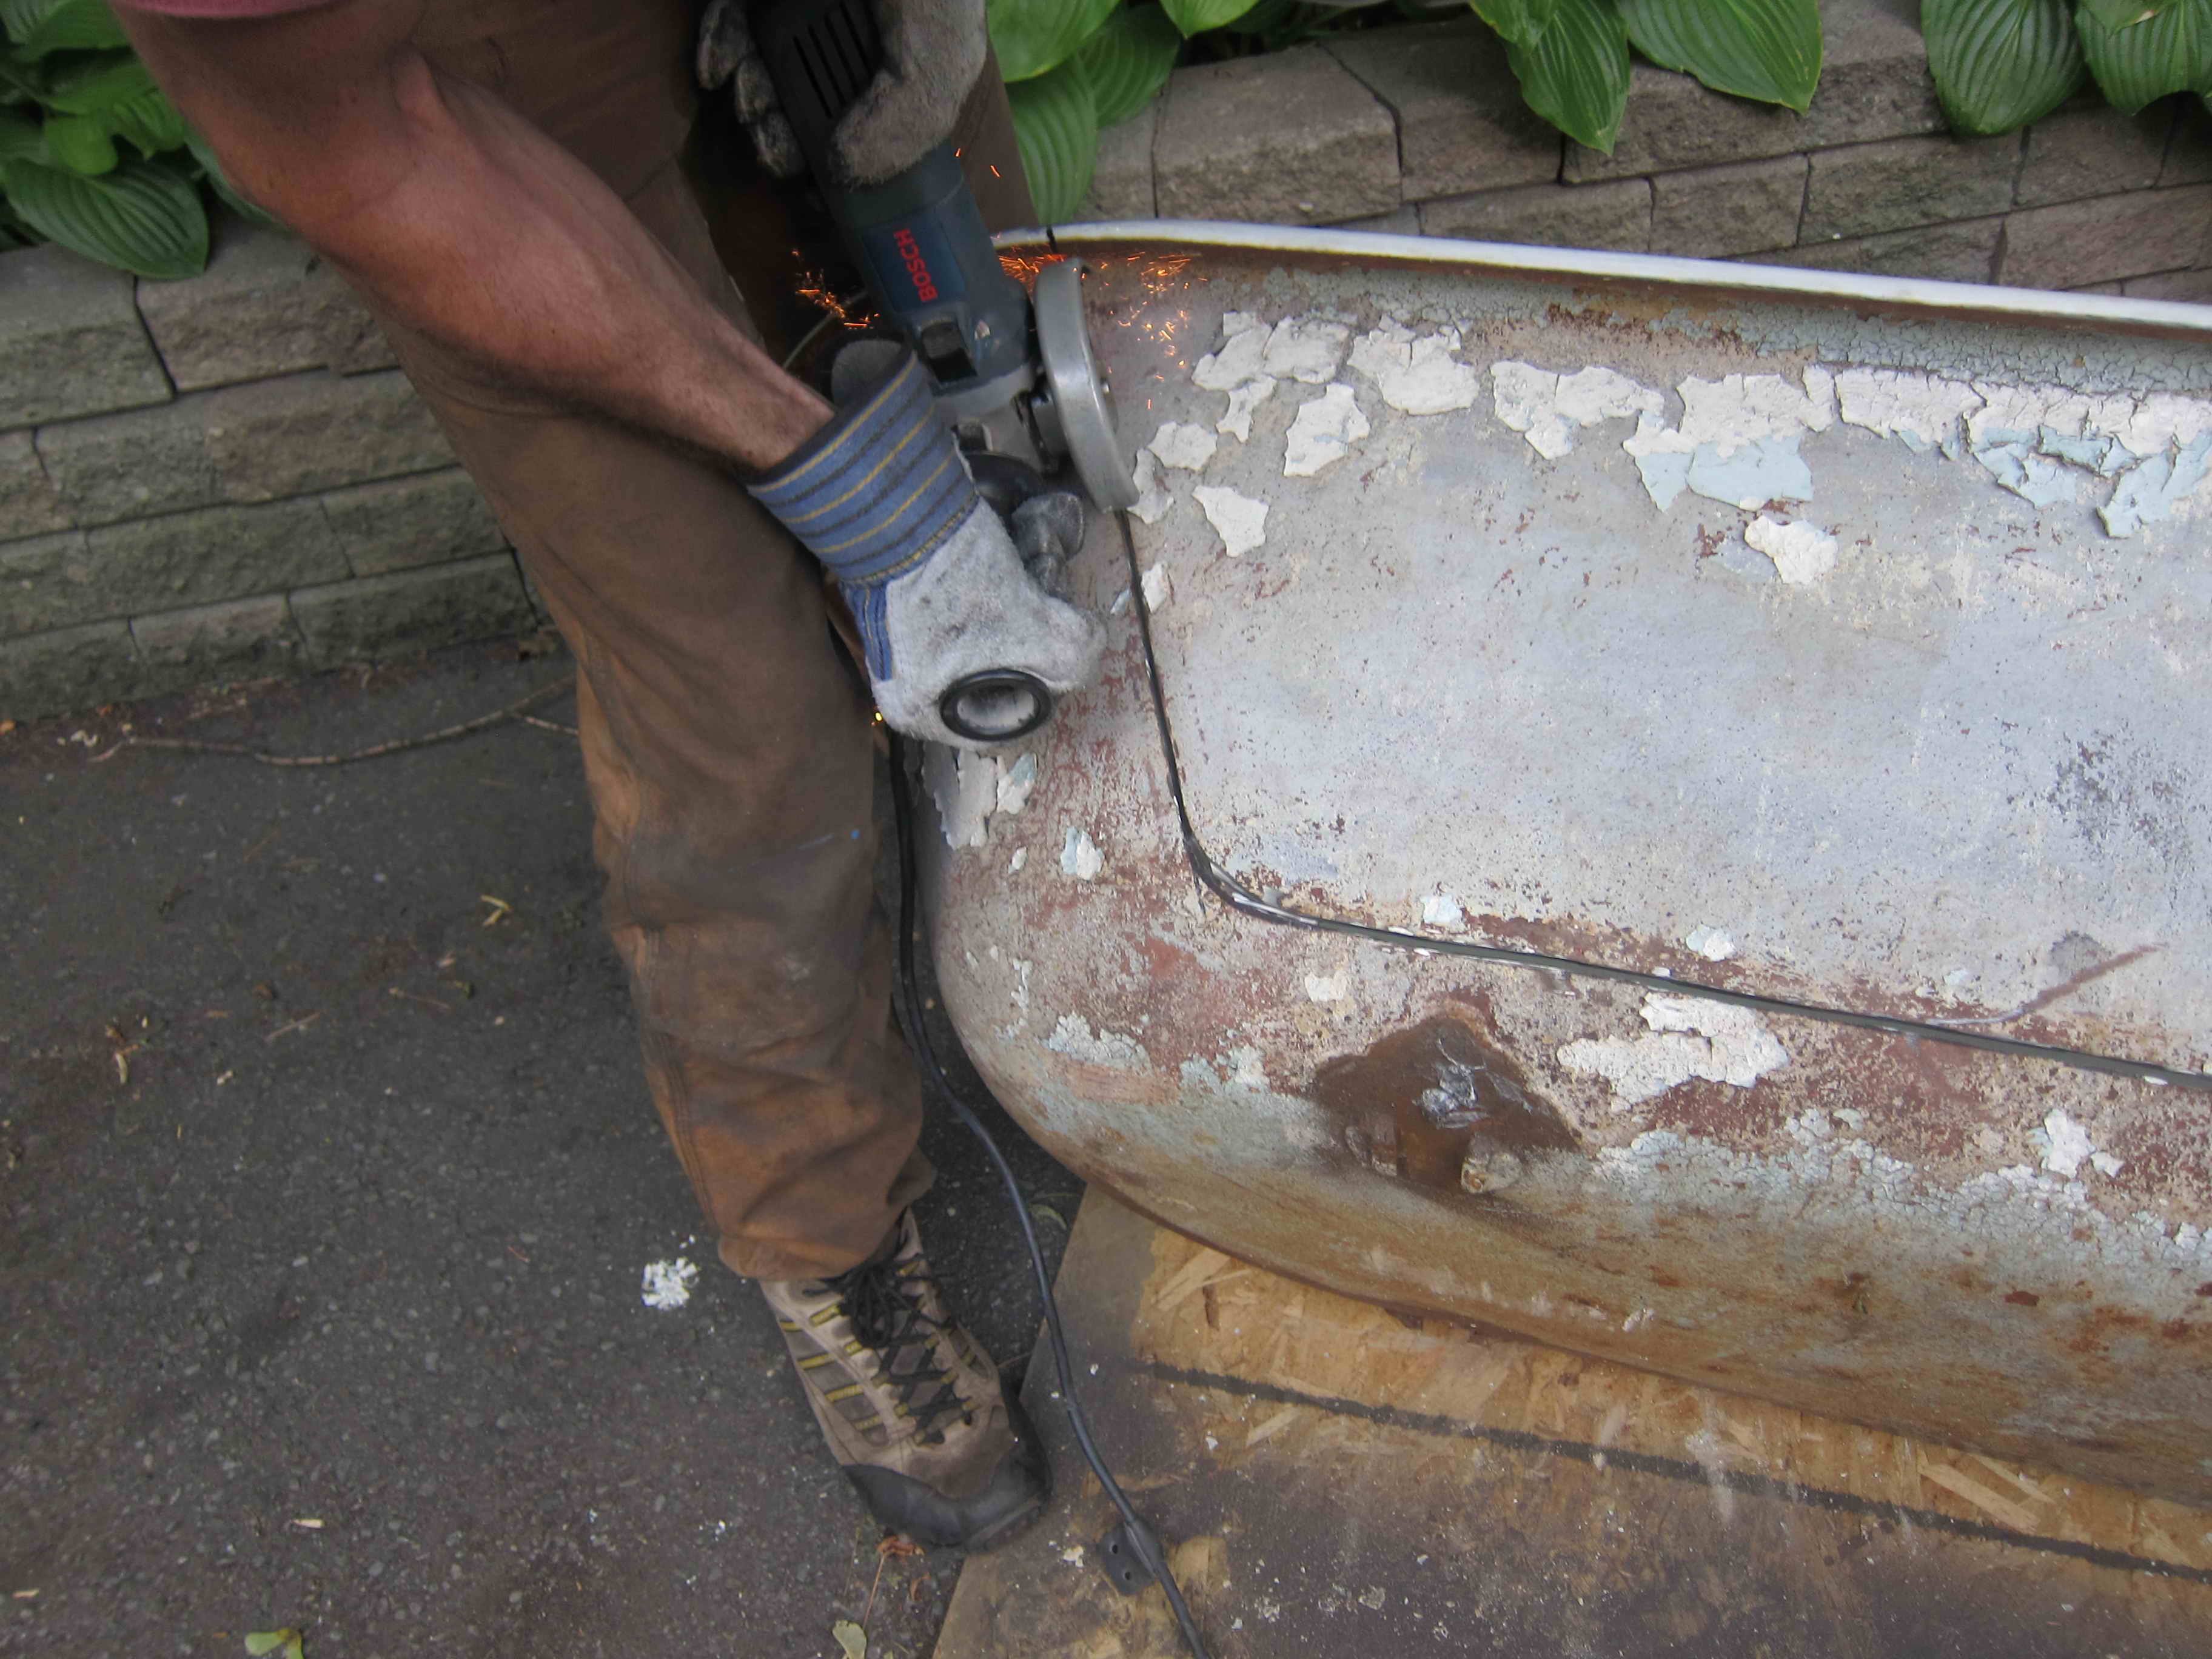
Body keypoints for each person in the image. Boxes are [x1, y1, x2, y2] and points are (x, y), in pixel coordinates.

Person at [114, 0, 1103, 1553]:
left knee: (1033, 451)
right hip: (495, 118)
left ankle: (1098, 1015)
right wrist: (856, 491)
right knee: (742, 721)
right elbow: (377, 153)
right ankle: (826, 1241)